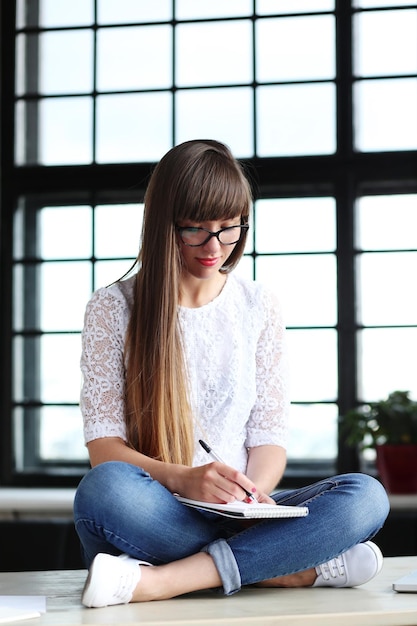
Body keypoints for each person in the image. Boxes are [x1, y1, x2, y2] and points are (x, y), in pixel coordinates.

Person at [73, 139, 390, 608]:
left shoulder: (258, 305)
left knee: (366, 495)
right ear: (164, 225)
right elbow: (105, 451)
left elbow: (267, 439)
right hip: (160, 510)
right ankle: (285, 569)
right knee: (104, 490)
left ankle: (165, 580)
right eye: (196, 230)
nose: (215, 247)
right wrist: (185, 478)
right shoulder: (113, 307)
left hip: (246, 513)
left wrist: (254, 497)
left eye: (230, 229)